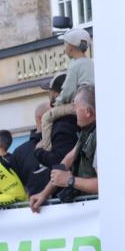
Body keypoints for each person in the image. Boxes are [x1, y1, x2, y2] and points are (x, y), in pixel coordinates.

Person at [30, 85, 99, 213]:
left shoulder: (100, 136)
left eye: (77, 107)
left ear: (88, 112)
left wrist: (70, 180)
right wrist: (44, 194)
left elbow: (104, 184)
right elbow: (67, 160)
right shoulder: (86, 133)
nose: (74, 111)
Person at [39, 29, 93, 151]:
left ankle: (46, 148)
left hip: (78, 104)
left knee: (46, 117)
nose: (64, 48)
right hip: (90, 100)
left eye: (65, 44)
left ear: (71, 47)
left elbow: (68, 91)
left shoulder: (74, 65)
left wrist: (57, 103)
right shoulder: (90, 63)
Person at [7, 106, 55, 196]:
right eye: (53, 116)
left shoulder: (62, 144)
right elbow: (17, 187)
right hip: (34, 208)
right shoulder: (19, 153)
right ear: (41, 118)